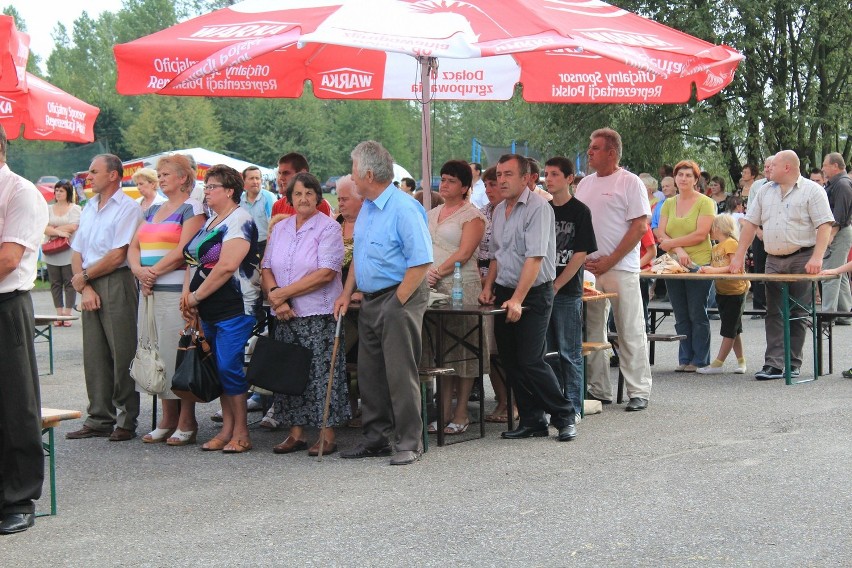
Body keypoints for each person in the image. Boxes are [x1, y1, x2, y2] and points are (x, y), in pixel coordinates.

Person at [334, 140, 433, 466]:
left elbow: (421, 261)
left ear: (367, 173)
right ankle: (377, 438)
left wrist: (398, 302)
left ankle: (408, 442)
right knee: (370, 373)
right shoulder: (369, 208)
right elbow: (360, 257)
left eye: (353, 170)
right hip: (372, 298)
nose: (351, 176)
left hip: (399, 294)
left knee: (399, 373)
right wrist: (347, 293)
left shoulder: (404, 208)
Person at [479, 153, 577, 442]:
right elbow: (497, 255)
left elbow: (534, 258)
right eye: (499, 175)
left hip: (533, 292)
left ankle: (564, 414)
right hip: (506, 291)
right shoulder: (498, 211)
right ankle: (533, 419)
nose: (502, 180)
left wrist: (518, 299)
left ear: (526, 178)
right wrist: (488, 286)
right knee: (509, 360)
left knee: (531, 359)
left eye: (509, 174)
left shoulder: (539, 208)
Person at [261, 173, 350, 455]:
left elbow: (325, 273)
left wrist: (285, 294)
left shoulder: (328, 228)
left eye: (309, 193)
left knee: (322, 375)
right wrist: (277, 297)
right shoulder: (282, 228)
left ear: (318, 197)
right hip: (285, 313)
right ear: (289, 199)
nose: (303, 199)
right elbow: (266, 267)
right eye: (298, 194)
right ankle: (295, 433)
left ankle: (327, 434)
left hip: (318, 313)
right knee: (289, 372)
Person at [730, 150, 834, 380]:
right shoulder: (765, 191)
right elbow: (749, 224)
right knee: (773, 311)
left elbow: (825, 225)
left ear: (787, 167)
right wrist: (738, 256)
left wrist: (817, 257)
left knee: (798, 311)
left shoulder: (812, 190)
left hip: (802, 258)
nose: (768, 169)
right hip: (773, 259)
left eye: (773, 165)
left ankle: (793, 363)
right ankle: (774, 364)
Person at [127, 154, 205, 445]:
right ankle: (167, 418)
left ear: (183, 178)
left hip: (173, 290)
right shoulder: (154, 208)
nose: (160, 178)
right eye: (158, 174)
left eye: (166, 174)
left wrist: (153, 273)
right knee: (156, 351)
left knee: (177, 353)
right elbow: (134, 246)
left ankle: (187, 419)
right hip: (148, 291)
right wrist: (138, 271)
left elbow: (185, 249)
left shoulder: (192, 208)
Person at [182, 165, 260, 452]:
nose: (207, 190)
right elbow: (192, 261)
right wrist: (187, 298)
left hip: (234, 305)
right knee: (217, 367)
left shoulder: (240, 220)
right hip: (208, 307)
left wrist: (195, 296)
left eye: (212, 186)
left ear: (229, 191)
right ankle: (227, 429)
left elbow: (227, 265)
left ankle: (242, 431)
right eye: (206, 185)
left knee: (230, 366)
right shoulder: (212, 221)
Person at [574, 128, 653, 411]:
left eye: (595, 148)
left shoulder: (630, 182)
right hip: (590, 269)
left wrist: (611, 259)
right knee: (593, 331)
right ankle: (598, 390)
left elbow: (640, 226)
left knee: (630, 329)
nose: (589, 152)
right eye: (589, 146)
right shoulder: (584, 185)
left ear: (612, 152)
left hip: (622, 269)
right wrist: (582, 258)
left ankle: (638, 391)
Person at [67, 155, 143, 442]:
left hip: (115, 280)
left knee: (122, 350)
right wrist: (84, 286)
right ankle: (99, 416)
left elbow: (118, 255)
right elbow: (77, 251)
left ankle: (126, 418)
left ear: (113, 175)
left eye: (94, 171)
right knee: (95, 353)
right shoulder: (89, 207)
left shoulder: (128, 208)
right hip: (89, 279)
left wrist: (84, 279)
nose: (89, 176)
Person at [0, 126, 49, 535]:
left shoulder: (20, 192)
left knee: (15, 402)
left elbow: (9, 258)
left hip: (5, 305)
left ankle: (18, 498)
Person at [423, 159, 487, 435]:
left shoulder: (472, 216)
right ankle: (444, 409)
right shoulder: (432, 212)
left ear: (464, 187)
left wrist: (438, 271)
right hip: (431, 286)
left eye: (451, 180)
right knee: (441, 349)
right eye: (442, 179)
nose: (444, 184)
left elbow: (464, 252)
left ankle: (461, 412)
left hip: (461, 285)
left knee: (463, 349)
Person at [543, 156, 597, 420]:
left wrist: (557, 284)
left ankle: (574, 406)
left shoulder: (580, 211)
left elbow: (580, 254)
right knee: (547, 353)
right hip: (542, 288)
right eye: (546, 174)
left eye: (554, 174)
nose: (548, 179)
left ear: (569, 179)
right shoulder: (544, 210)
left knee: (569, 352)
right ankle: (554, 406)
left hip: (567, 291)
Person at [657, 160, 716, 371]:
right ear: (674, 178)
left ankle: (700, 359)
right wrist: (678, 250)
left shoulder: (705, 202)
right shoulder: (669, 203)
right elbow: (660, 231)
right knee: (680, 312)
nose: (683, 178)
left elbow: (701, 234)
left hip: (698, 262)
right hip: (674, 263)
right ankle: (684, 358)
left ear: (696, 179)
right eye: (680, 174)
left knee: (696, 312)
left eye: (688, 175)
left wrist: (672, 244)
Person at [478, 166, 516, 423]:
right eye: (487, 185)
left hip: (503, 282)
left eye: (494, 184)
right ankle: (501, 399)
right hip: (481, 282)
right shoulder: (482, 214)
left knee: (506, 350)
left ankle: (514, 402)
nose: (491, 190)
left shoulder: (512, 213)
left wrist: (489, 283)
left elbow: (503, 254)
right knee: (490, 349)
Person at [697, 214, 749, 374]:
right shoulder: (715, 247)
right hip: (723, 291)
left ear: (717, 228)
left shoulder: (731, 243)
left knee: (729, 329)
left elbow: (736, 266)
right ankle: (741, 362)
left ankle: (718, 363)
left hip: (736, 290)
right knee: (734, 328)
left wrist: (713, 270)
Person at [43, 179, 81, 326]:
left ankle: (68, 313)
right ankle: (59, 314)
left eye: (61, 190)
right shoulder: (48, 208)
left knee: (69, 281)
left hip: (68, 249)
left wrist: (54, 231)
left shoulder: (75, 208)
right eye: (57, 190)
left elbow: (73, 227)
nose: (58, 193)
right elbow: (43, 227)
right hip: (51, 249)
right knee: (55, 282)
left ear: (68, 193)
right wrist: (59, 232)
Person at [819, 153, 852, 323]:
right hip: (838, 231)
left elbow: (839, 214)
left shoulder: (843, 184)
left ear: (835, 166)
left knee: (830, 272)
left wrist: (830, 235)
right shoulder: (836, 183)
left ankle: (828, 314)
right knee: (840, 271)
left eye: (825, 165)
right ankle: (844, 313)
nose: (823, 168)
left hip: (839, 232)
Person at [269, 152, 331, 228]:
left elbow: (324, 235)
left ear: (303, 173)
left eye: (286, 173)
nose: (281, 178)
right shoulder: (277, 206)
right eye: (280, 173)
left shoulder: (319, 204)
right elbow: (272, 237)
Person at [239, 165, 277, 260]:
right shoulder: (239, 199)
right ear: (244, 181)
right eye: (251, 178)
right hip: (245, 244)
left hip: (266, 244)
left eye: (257, 178)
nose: (255, 182)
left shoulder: (268, 198)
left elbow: (275, 226)